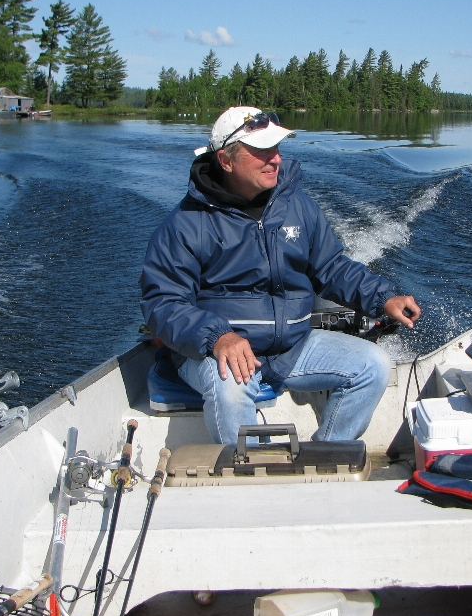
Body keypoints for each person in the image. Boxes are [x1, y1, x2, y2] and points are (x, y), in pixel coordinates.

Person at [141, 106, 422, 445]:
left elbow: (331, 267)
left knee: (373, 366)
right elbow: (163, 303)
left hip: (293, 346)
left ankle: (325, 454)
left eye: (276, 148)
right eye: (260, 151)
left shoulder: (298, 207)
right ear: (226, 161)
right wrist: (218, 337)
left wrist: (383, 298)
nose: (274, 159)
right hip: (220, 351)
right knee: (231, 389)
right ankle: (249, 476)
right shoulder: (187, 224)